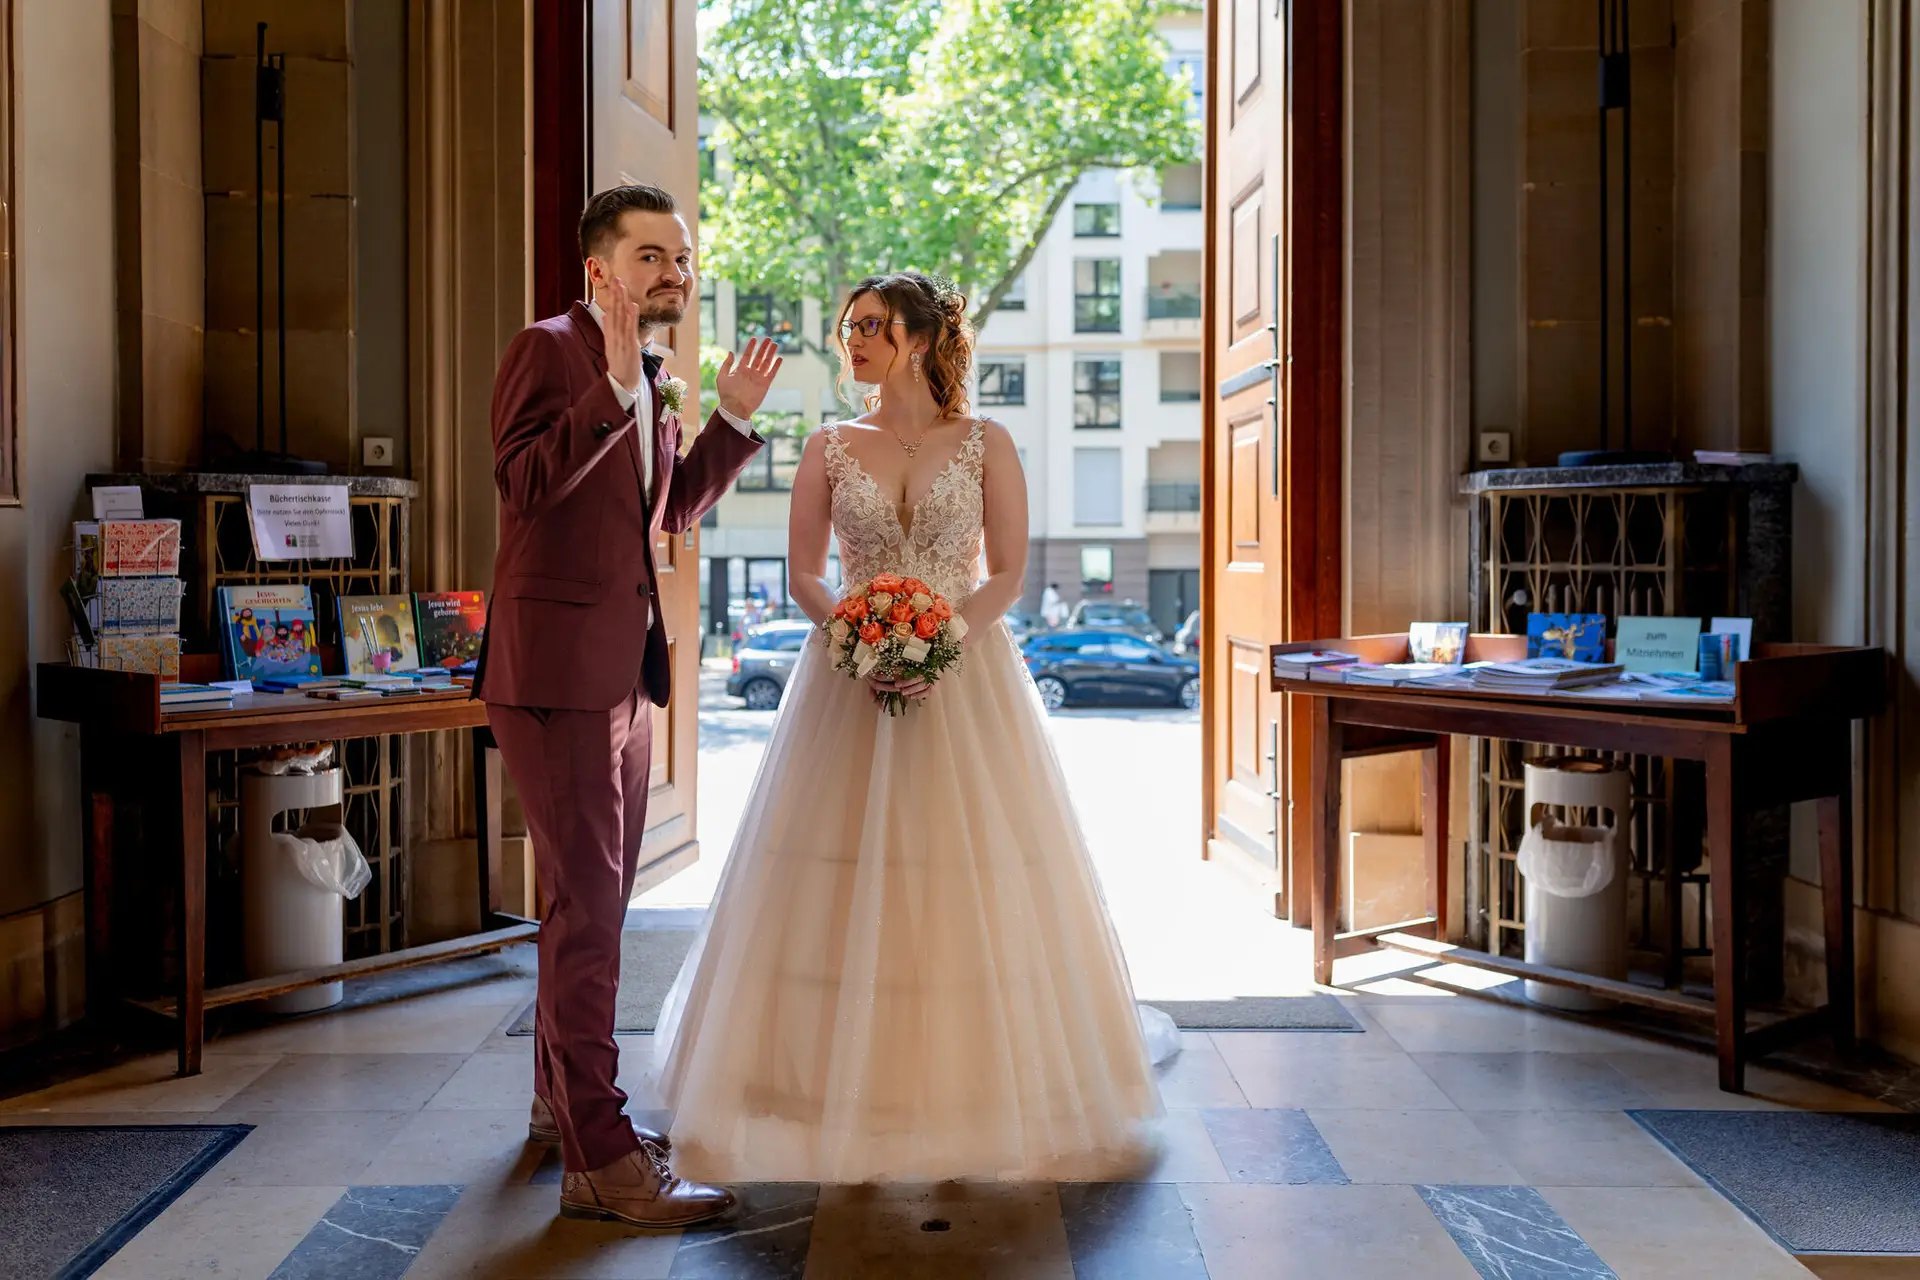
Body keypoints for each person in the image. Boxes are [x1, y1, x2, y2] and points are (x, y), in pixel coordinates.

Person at [653, 270, 1177, 1185]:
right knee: (835, 871)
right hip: (844, 680)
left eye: (872, 326)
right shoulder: (827, 445)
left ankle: (966, 1084)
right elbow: (807, 576)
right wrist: (859, 638)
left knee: (962, 869)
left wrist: (936, 646)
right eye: (849, 326)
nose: (852, 340)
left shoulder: (988, 442)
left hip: (965, 681)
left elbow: (1008, 573)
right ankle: (820, 1083)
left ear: (923, 340)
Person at [474, 183, 780, 1228]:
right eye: (651, 256)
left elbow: (666, 511)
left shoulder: (650, 373)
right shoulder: (549, 346)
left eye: (683, 258)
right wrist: (610, 390)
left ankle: (569, 1107)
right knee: (590, 916)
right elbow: (522, 485)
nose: (675, 275)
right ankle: (603, 1158)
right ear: (599, 268)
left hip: (624, 673)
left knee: (592, 909)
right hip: (557, 675)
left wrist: (731, 421)